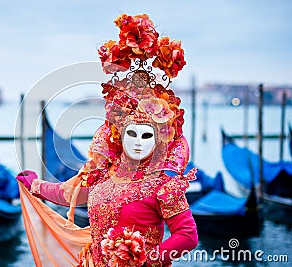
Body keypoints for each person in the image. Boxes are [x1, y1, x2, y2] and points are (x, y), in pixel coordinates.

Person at [17, 13, 198, 267]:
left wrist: (147, 260)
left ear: (159, 140)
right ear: (119, 135)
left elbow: (187, 236)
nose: (137, 142)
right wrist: (35, 186)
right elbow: (71, 195)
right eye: (131, 134)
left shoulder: (163, 183)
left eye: (146, 136)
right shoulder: (106, 172)